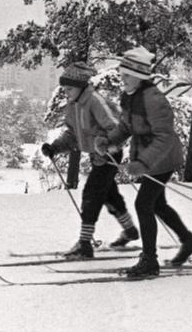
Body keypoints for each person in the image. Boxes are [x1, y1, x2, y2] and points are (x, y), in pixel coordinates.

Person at [95, 46, 192, 278]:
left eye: (126, 75)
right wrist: (107, 141)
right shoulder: (131, 96)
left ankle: (149, 261)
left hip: (163, 158)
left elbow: (164, 137)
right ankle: (189, 241)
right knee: (157, 204)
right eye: (122, 74)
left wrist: (142, 163)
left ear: (140, 76)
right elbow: (125, 127)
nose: (122, 79)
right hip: (149, 157)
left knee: (144, 204)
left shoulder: (154, 100)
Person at [41, 62, 139, 259]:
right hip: (96, 157)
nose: (66, 92)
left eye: (69, 88)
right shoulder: (73, 106)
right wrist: (55, 147)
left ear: (81, 86)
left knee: (91, 195)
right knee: (110, 196)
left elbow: (116, 127)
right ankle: (129, 231)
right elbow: (72, 135)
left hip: (109, 155)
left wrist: (107, 145)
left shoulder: (95, 101)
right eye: (64, 89)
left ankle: (84, 244)